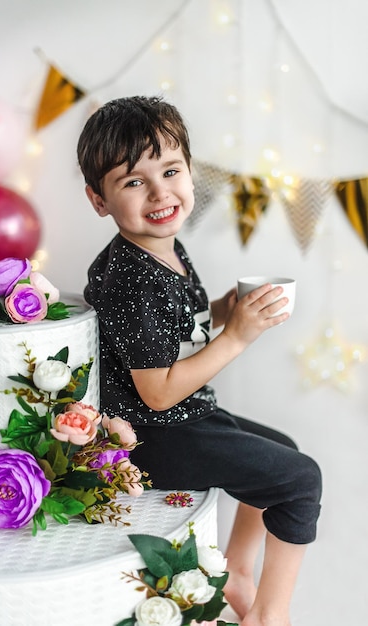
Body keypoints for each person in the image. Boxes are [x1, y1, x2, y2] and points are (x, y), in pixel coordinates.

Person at [77, 95, 322, 626]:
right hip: (153, 435)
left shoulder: (165, 247)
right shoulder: (129, 280)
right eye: (134, 181)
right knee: (301, 478)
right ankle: (269, 615)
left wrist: (219, 312)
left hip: (188, 414)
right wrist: (236, 337)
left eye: (170, 170)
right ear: (100, 200)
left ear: (190, 171)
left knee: (285, 451)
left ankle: (236, 569)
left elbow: (172, 333)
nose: (160, 192)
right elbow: (158, 391)